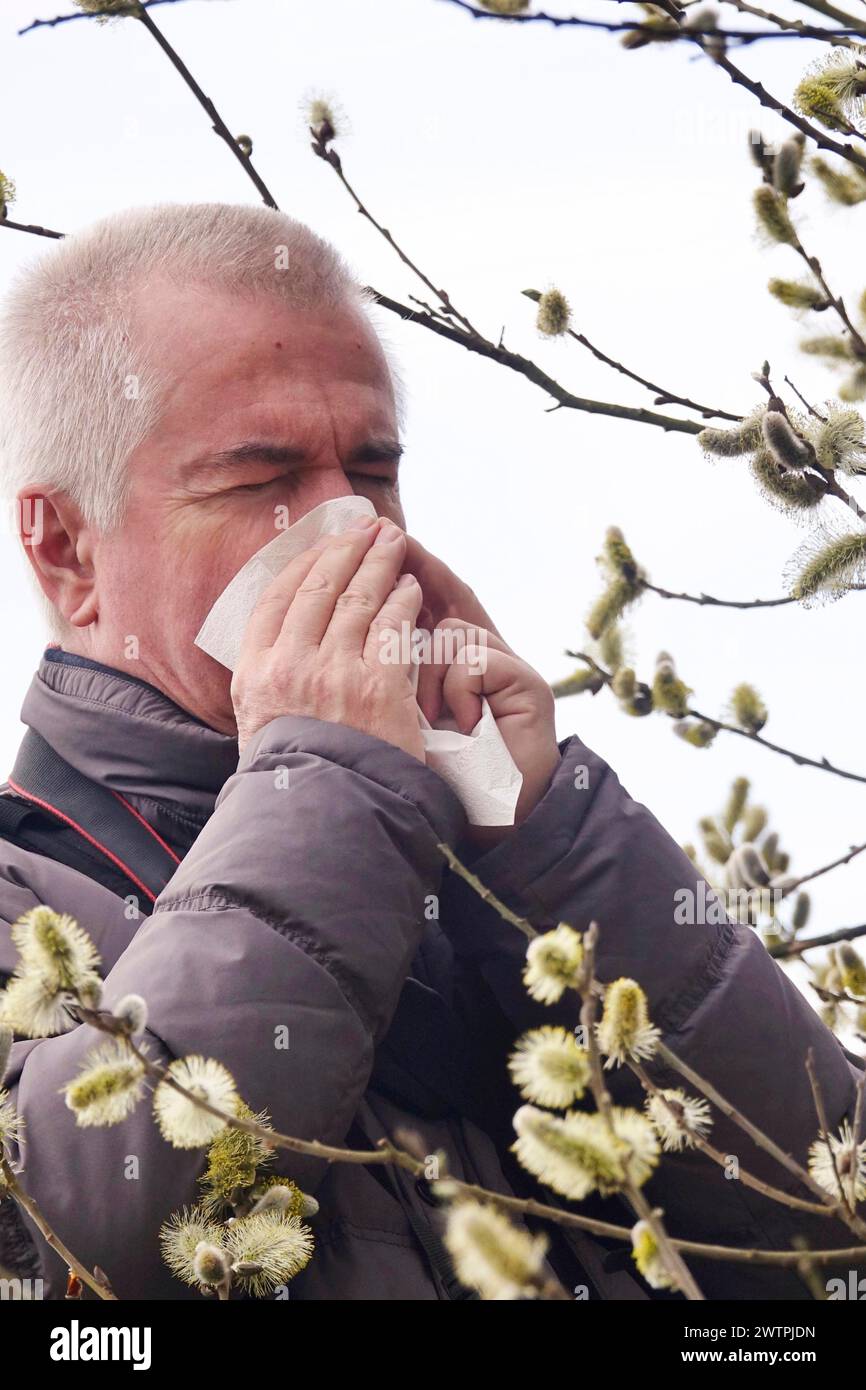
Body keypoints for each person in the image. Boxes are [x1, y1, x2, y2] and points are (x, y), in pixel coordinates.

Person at [0, 203, 860, 1300]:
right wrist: (327, 790)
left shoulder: (489, 869)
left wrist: (552, 841)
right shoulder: (22, 898)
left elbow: (823, 1241)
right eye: (261, 481)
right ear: (67, 549)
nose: (354, 531)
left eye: (371, 472)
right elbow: (83, 1254)